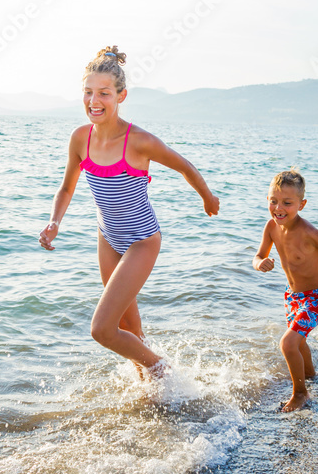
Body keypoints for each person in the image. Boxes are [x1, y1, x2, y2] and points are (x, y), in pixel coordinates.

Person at [39, 45, 220, 377]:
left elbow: (185, 167)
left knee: (102, 330)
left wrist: (207, 198)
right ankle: (153, 392)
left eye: (104, 93)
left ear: (121, 96)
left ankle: (162, 371)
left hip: (142, 240)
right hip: (107, 238)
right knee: (127, 328)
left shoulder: (139, 141)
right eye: (88, 92)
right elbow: (67, 187)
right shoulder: (80, 138)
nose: (94, 101)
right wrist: (54, 221)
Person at [252, 170, 318, 412]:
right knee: (299, 341)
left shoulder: (309, 233)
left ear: (301, 204)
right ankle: (309, 376)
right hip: (292, 296)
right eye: (273, 201)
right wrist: (259, 263)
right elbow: (258, 255)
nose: (279, 208)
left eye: (287, 203)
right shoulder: (271, 227)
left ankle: (300, 393)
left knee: (287, 343)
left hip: (317, 297)